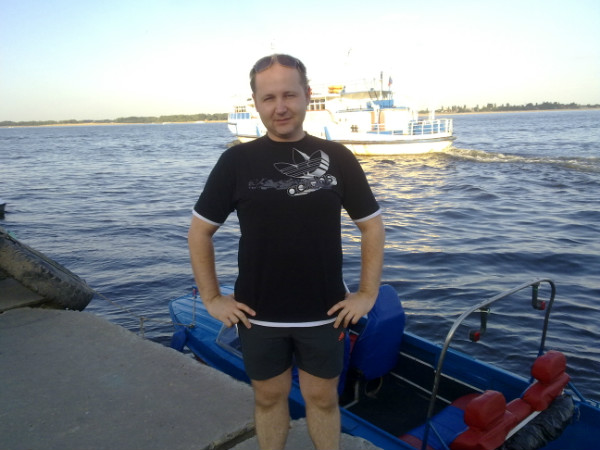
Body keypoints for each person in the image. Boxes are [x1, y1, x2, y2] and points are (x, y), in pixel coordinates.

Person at [188, 54, 385, 450]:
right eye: (269, 97)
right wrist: (212, 298)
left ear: (307, 95)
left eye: (289, 95)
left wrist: (367, 293)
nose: (280, 107)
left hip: (325, 311)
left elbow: (372, 226)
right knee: (268, 397)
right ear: (256, 103)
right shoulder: (236, 161)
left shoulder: (338, 158)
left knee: (322, 399)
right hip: (258, 314)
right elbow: (199, 232)